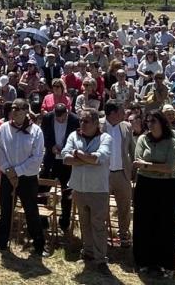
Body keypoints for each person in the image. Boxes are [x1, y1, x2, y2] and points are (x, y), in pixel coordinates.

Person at [0, 98, 47, 256]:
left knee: (31, 211)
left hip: (27, 178)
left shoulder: (36, 131)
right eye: (12, 108)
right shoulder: (3, 128)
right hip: (7, 176)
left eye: (17, 109)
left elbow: (37, 158)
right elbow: (0, 150)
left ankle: (39, 245)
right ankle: (1, 242)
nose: (13, 111)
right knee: (6, 210)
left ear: (25, 111)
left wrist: (18, 171)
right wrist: (9, 172)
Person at [132, 110, 175, 278]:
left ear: (161, 122)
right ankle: (144, 262)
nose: (149, 124)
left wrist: (147, 165)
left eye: (153, 121)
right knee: (144, 223)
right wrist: (154, 166)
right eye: (148, 121)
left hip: (167, 188)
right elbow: (137, 163)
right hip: (146, 186)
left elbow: (170, 167)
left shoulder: (172, 142)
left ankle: (166, 265)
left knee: (166, 226)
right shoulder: (142, 139)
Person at [62, 108, 112, 272]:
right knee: (84, 223)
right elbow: (66, 158)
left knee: (98, 225)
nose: (82, 124)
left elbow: (99, 158)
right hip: (79, 187)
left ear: (96, 123)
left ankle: (100, 259)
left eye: (86, 121)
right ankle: (88, 252)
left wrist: (77, 154)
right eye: (81, 121)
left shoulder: (105, 138)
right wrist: (86, 158)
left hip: (98, 190)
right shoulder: (73, 136)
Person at [41, 103, 78, 232]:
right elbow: (43, 136)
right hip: (51, 159)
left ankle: (64, 222)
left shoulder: (74, 120)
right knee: (43, 190)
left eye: (62, 118)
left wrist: (66, 150)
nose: (60, 120)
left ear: (67, 113)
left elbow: (77, 139)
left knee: (66, 192)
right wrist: (51, 146)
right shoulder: (47, 118)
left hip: (66, 161)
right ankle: (43, 221)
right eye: (57, 118)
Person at [101, 100, 134, 246]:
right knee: (102, 206)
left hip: (122, 174)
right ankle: (101, 234)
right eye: (121, 111)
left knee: (125, 206)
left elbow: (131, 150)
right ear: (113, 113)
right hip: (103, 174)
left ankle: (124, 234)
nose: (125, 113)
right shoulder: (98, 125)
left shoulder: (126, 127)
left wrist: (133, 171)